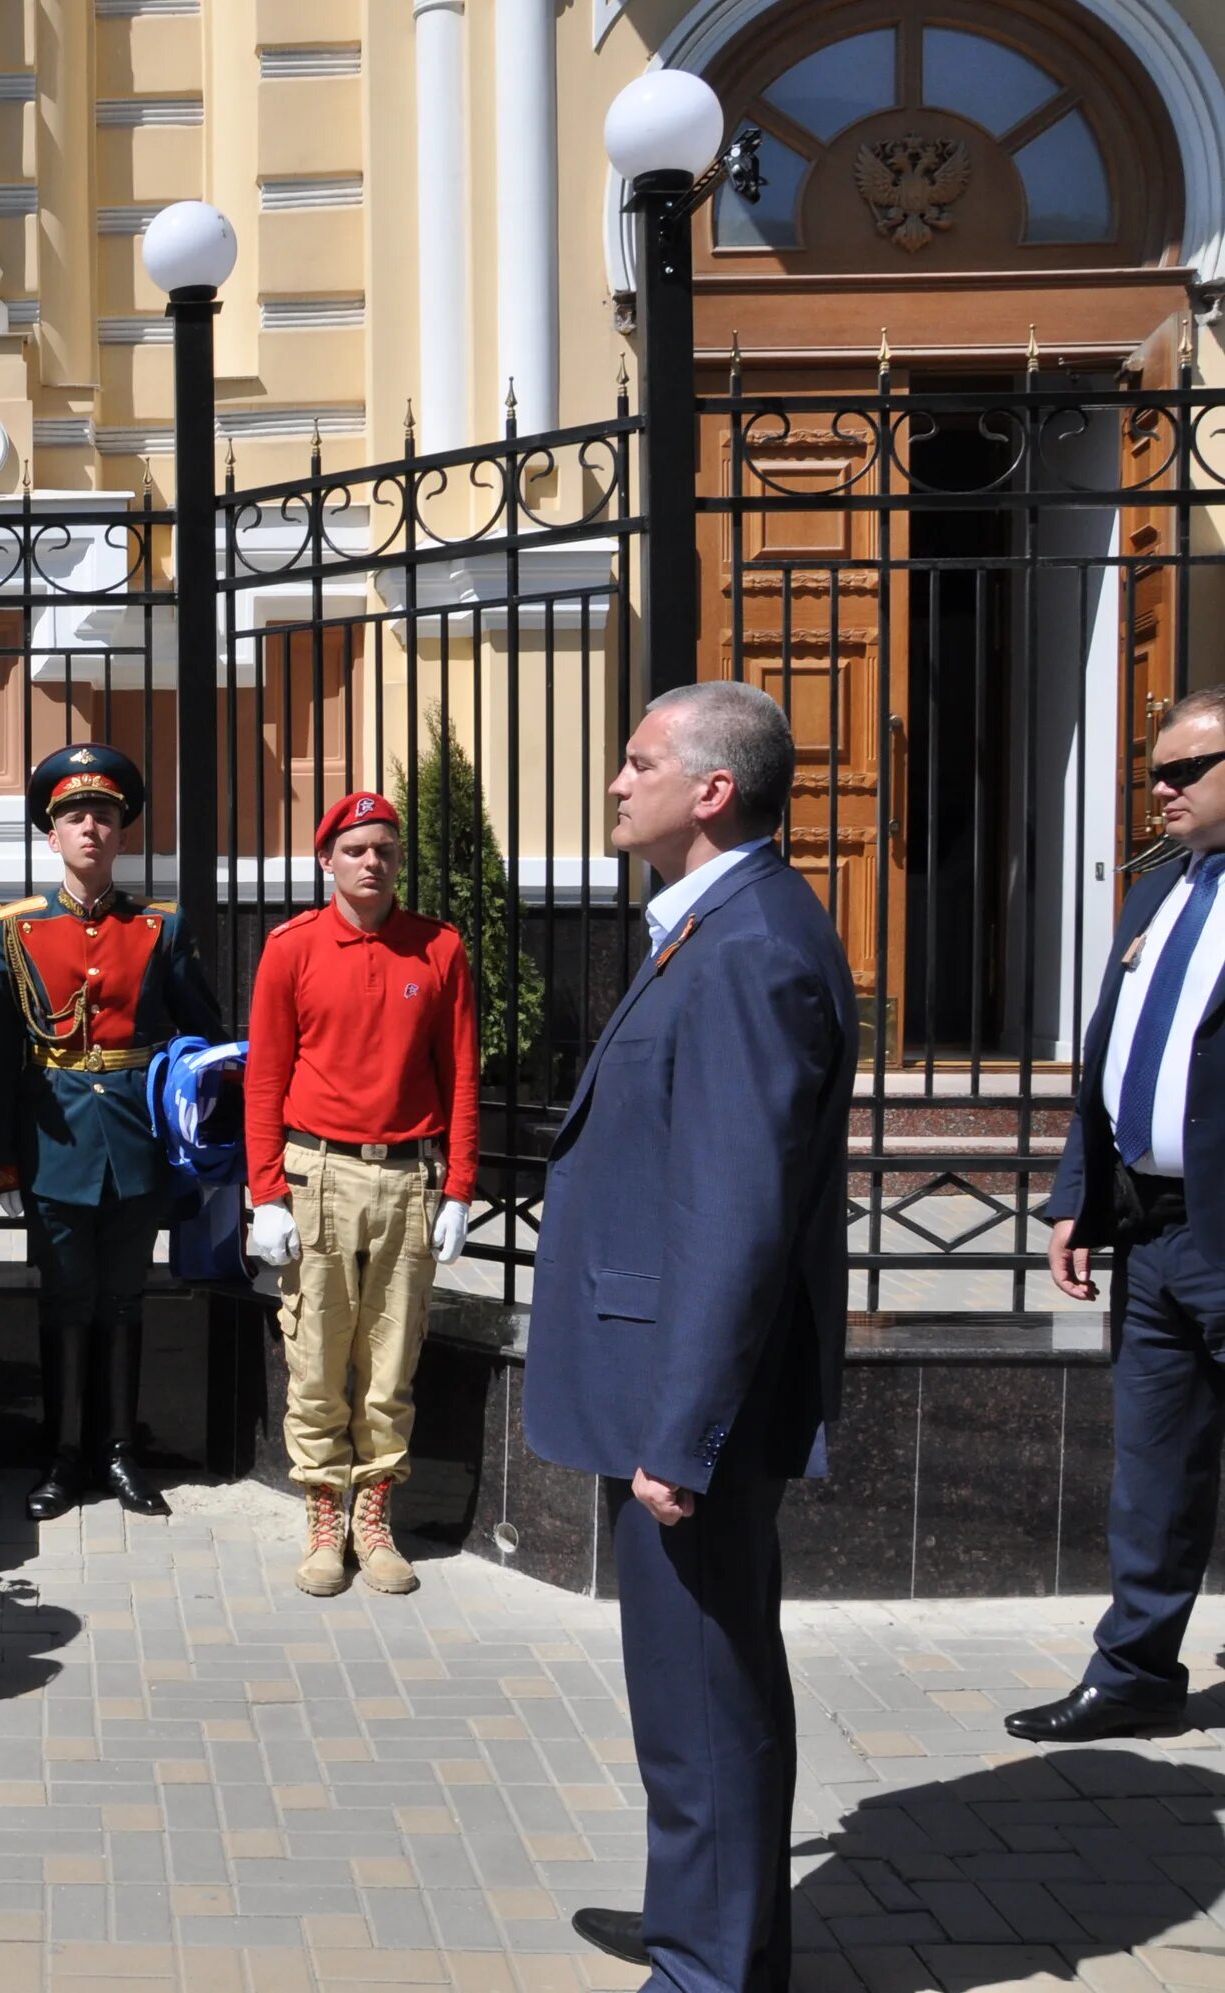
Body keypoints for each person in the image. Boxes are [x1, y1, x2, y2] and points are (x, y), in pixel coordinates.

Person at [527, 682, 854, 1991]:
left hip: (687, 1403)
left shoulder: (751, 948)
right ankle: (716, 1931)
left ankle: (708, 1967)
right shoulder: (714, 926)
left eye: (637, 759)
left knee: (701, 1697)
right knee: (697, 1688)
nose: (615, 779)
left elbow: (738, 1217)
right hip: (671, 1383)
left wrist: (685, 1433)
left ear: (711, 790)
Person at [1007, 686, 1225, 1746]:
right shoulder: (1157, 893)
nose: (1162, 788)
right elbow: (1112, 1058)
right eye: (1155, 770)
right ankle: (1136, 1671)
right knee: (1154, 1465)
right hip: (1152, 1230)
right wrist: (1077, 1199)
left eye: (1188, 769)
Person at [242, 789, 480, 1598]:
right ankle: (323, 1520)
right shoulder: (292, 948)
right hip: (319, 1176)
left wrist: (460, 1188)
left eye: (384, 847)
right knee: (314, 1355)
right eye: (355, 849)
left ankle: (374, 1517)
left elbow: (463, 1077)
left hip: (408, 1177)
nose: (371, 860)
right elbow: (265, 1077)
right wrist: (266, 1193)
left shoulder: (439, 950)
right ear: (326, 862)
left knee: (391, 1360)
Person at [0, 743, 228, 1522]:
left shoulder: (159, 926)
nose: (91, 827)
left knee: (124, 1300)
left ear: (123, 836)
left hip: (134, 1144)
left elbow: (205, 1035)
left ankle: (119, 1453)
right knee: (64, 1300)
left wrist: (192, 1124)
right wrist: (4, 1164)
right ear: (50, 836)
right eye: (74, 816)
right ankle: (60, 1456)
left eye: (105, 816)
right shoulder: (14, 930)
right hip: (54, 1142)